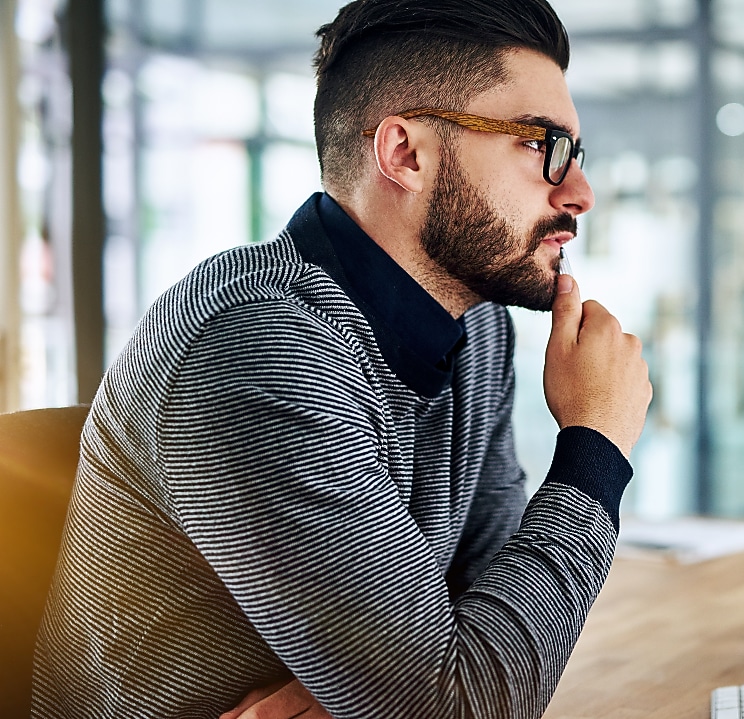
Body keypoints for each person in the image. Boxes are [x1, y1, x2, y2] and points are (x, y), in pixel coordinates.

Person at [31, 0, 651, 717]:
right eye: (544, 144)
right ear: (405, 154)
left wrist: (381, 690)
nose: (580, 193)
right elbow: (461, 701)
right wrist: (595, 447)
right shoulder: (258, 343)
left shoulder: (477, 328)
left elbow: (489, 621)